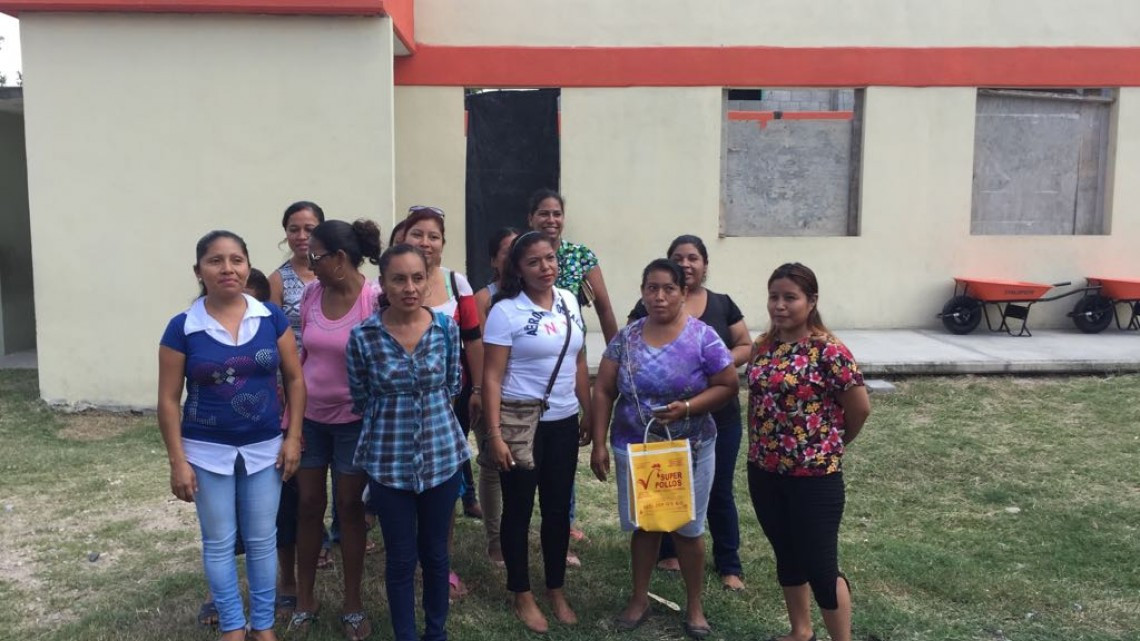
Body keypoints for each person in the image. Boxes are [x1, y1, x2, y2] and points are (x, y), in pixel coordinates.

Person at [158, 230, 305, 641]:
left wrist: (292, 437)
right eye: (216, 261)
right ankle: (232, 625)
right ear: (199, 271)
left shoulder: (270, 318)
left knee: (262, 540)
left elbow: (294, 380)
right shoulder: (183, 328)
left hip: (265, 449)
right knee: (219, 541)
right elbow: (169, 400)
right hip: (206, 452)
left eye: (236, 260)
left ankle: (262, 625)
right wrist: (178, 461)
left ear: (247, 265)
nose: (228, 269)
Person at [591, 259, 738, 639]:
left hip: (691, 448)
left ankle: (694, 607)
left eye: (668, 288)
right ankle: (639, 599)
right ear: (642, 292)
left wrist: (688, 408)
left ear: (684, 293)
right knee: (646, 525)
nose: (659, 296)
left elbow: (727, 385)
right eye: (651, 288)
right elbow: (604, 388)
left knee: (688, 528)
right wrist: (599, 443)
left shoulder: (702, 337)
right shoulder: (627, 338)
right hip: (638, 450)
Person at [347, 244, 469, 641]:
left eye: (418, 278)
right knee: (400, 559)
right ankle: (406, 635)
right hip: (388, 462)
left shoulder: (446, 329)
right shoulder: (363, 337)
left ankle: (436, 632)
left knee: (436, 555)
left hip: (441, 457)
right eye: (398, 278)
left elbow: (453, 384)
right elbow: (361, 396)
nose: (410, 287)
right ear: (382, 283)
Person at [746, 263, 871, 641]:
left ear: (811, 301)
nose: (780, 305)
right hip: (764, 470)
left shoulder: (829, 352)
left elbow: (859, 408)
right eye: (774, 297)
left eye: (790, 297)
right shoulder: (763, 346)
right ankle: (801, 632)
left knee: (820, 566)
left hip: (815, 477)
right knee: (786, 554)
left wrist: (830, 445)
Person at [482, 231, 592, 634]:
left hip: (563, 420)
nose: (546, 268)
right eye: (534, 262)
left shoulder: (567, 300)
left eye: (550, 259)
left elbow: (579, 361)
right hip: (520, 424)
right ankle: (521, 592)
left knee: (558, 508)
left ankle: (555, 588)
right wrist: (494, 434)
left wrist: (591, 412)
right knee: (519, 508)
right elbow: (491, 377)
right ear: (518, 269)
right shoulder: (506, 311)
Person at [627, 235, 751, 590]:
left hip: (717, 420)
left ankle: (729, 563)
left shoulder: (722, 304)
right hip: (664, 426)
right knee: (666, 490)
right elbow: (632, 343)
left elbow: (745, 344)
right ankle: (669, 552)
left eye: (693, 257)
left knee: (718, 490)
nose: (686, 263)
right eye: (678, 257)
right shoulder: (651, 305)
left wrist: (717, 362)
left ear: (705, 264)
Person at [290, 219, 383, 641]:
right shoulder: (311, 294)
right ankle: (305, 600)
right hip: (309, 419)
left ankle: (351, 603)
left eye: (316, 256)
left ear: (340, 259)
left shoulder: (374, 300)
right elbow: (302, 356)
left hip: (353, 424)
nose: (310, 264)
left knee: (349, 509)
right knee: (308, 504)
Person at [527, 188, 615, 552]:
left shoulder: (579, 257)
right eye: (543, 213)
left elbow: (605, 309)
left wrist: (618, 356)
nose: (551, 220)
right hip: (528, 363)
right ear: (530, 218)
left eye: (556, 213)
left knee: (564, 443)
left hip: (568, 361)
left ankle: (564, 521)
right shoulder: (521, 252)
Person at [403, 206, 484, 600]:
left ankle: (440, 563)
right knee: (403, 486)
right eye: (417, 234)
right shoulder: (389, 284)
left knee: (443, 485)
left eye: (433, 235)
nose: (425, 242)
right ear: (404, 238)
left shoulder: (457, 282)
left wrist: (480, 390)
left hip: (449, 400)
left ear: (442, 242)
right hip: (399, 407)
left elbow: (473, 339)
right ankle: (407, 560)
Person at [268, 200, 339, 573]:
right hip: (293, 383)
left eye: (309, 229)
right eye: (293, 229)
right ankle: (312, 537)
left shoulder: (335, 273)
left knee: (340, 466)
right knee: (303, 466)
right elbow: (270, 333)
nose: (301, 236)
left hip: (335, 382)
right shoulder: (278, 280)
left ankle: (339, 531)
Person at [472, 227, 518, 568]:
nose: (514, 257)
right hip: (494, 392)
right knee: (492, 469)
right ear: (494, 260)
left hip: (530, 398)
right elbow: (484, 352)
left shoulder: (537, 296)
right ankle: (495, 541)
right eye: (507, 251)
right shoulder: (484, 298)